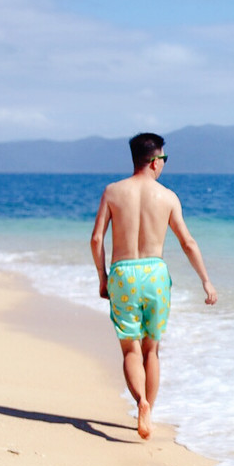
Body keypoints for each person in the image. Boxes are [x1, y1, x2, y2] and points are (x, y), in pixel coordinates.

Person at [91, 132, 217, 439]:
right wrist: (206, 280)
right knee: (152, 350)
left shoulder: (112, 191)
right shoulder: (168, 197)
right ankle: (150, 410)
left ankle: (141, 403)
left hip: (124, 274)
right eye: (164, 159)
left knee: (130, 350)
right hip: (156, 276)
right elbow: (187, 242)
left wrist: (103, 278)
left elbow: (96, 239)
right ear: (155, 161)